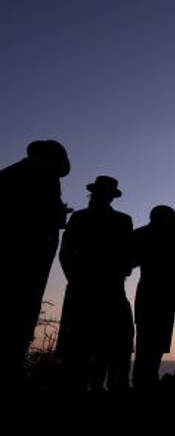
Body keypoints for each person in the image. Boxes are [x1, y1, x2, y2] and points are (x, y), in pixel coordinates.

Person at [0, 140, 71, 384]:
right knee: (15, 314)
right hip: (20, 261)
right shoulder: (29, 176)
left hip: (30, 261)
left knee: (20, 314)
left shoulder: (27, 175)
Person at [57, 176, 134, 392]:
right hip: (109, 289)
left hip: (83, 290)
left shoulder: (80, 218)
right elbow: (128, 257)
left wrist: (76, 279)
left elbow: (65, 253)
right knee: (104, 344)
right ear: (111, 196)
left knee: (80, 346)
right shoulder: (122, 221)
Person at [132, 205, 175, 388]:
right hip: (162, 295)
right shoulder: (170, 235)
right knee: (154, 342)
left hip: (153, 294)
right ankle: (146, 381)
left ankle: (144, 381)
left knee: (148, 342)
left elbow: (129, 262)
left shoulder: (142, 233)